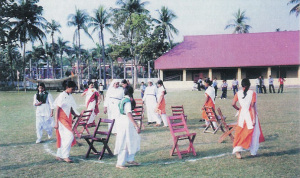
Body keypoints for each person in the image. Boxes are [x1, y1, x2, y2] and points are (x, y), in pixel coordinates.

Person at [232, 78, 265, 159]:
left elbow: (233, 104)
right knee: (254, 133)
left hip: (242, 116)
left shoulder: (238, 93)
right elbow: (252, 106)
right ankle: (253, 152)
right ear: (249, 85)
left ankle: (237, 150)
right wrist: (254, 119)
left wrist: (238, 109)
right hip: (251, 116)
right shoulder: (253, 93)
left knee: (240, 133)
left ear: (241, 85)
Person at [54, 80, 80, 163]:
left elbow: (70, 108)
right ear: (67, 87)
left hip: (68, 118)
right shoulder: (62, 96)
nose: (73, 91)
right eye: (72, 89)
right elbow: (57, 109)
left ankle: (59, 155)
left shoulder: (70, 96)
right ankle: (65, 156)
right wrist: (56, 123)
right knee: (70, 136)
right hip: (61, 119)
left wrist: (76, 115)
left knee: (64, 137)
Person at [115, 87, 141, 169]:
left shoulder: (122, 100)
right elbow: (128, 113)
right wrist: (136, 125)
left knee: (133, 139)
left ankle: (130, 159)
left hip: (123, 121)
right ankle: (120, 163)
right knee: (124, 142)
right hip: (126, 122)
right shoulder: (127, 101)